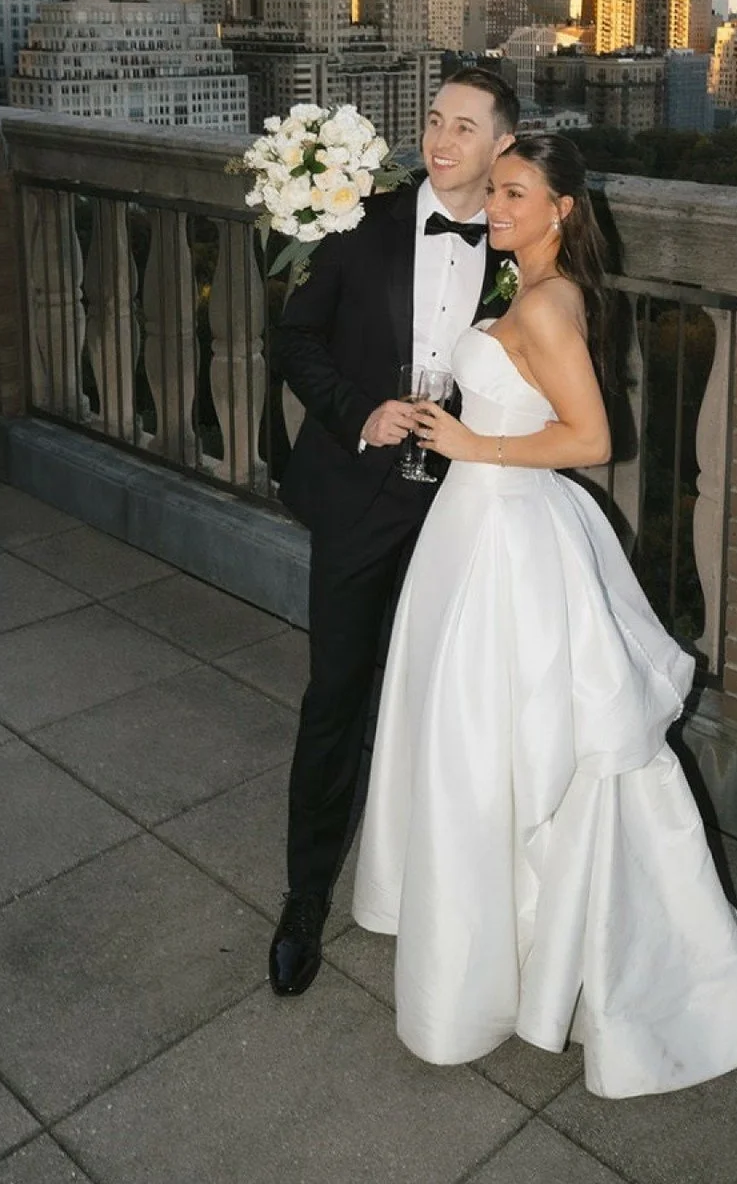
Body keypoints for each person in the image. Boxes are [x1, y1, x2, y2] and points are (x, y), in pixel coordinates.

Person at [352, 132, 737, 1098]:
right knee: (479, 739)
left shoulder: (548, 302)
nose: (494, 206)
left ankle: (489, 969)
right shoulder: (524, 285)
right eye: (492, 192)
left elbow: (593, 437)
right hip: (475, 527)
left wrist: (470, 441)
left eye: (514, 193)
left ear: (563, 210)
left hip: (506, 534)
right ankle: (500, 943)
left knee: (491, 743)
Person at [268, 66, 520, 996]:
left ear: (501, 147)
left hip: (463, 509)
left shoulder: (519, 238)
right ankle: (304, 895)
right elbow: (294, 338)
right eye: (435, 121)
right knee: (334, 696)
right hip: (356, 494)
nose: (442, 140)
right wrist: (358, 412)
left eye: (465, 128)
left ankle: (440, 893)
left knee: (448, 709)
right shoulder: (357, 221)